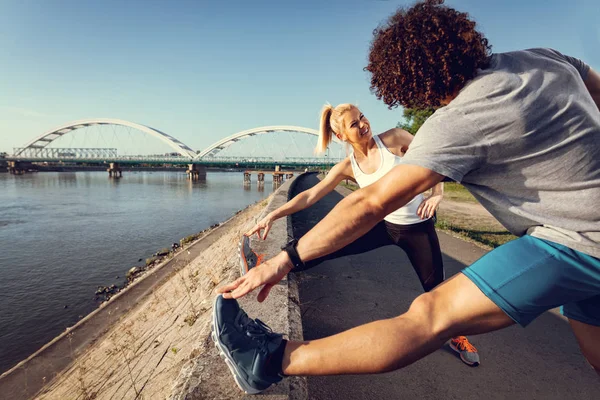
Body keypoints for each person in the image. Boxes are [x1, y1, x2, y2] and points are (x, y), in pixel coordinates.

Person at [213, 0, 600, 394]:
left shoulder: (455, 122)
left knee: (430, 315)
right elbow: (595, 85)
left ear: (409, 84)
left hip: (576, 243)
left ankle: (267, 359)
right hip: (567, 241)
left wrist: (286, 257)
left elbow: (369, 203)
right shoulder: (545, 59)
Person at [245, 102, 479, 365]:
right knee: (327, 246)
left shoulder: (395, 139)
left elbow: (436, 161)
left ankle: (457, 335)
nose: (363, 124)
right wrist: (272, 215)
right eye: (354, 124)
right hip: (380, 224)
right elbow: (310, 195)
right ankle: (272, 266)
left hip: (417, 227)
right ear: (342, 136)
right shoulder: (348, 166)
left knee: (435, 287)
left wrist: (437, 196)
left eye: (362, 117)